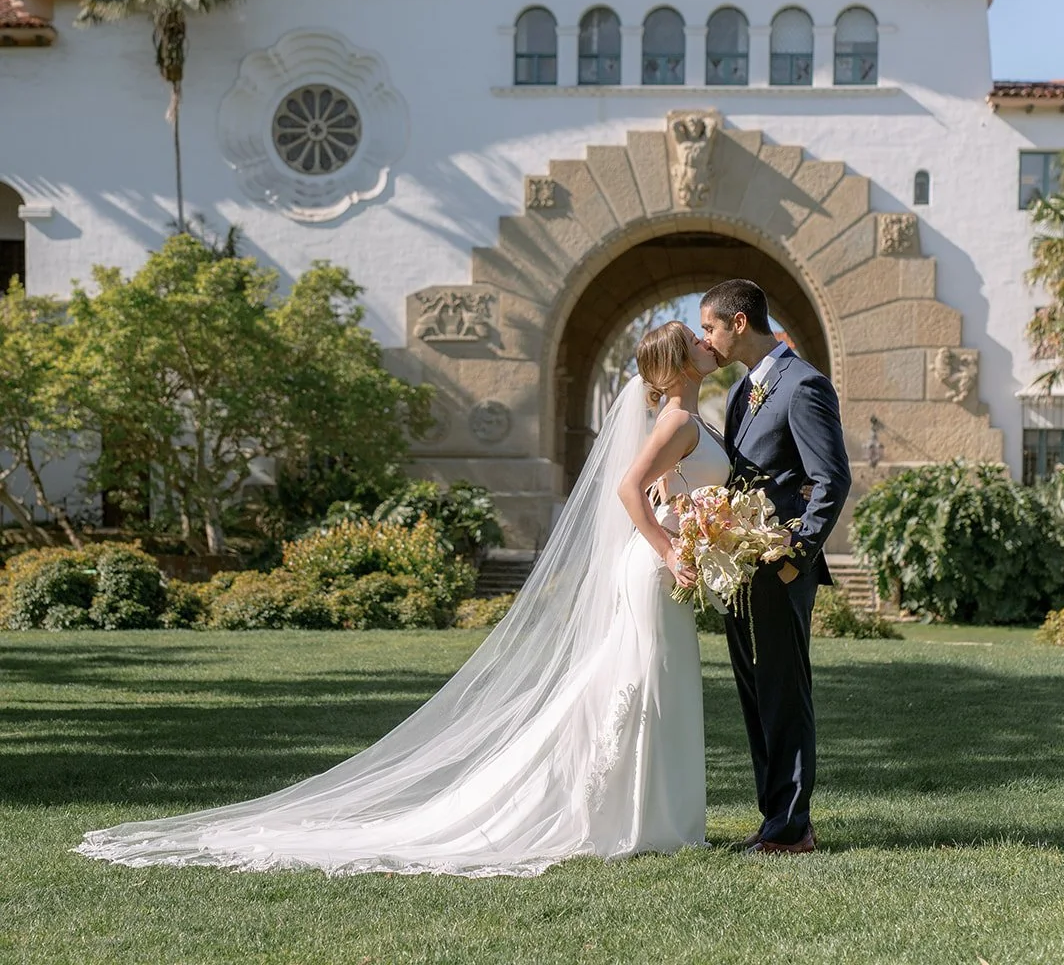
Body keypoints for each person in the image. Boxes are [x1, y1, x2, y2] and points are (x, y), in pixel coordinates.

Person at [77, 322, 727, 878]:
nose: (707, 342)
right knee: (643, 679)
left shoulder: (688, 419)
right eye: (695, 339)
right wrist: (670, 549)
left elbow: (659, 494)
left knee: (651, 679)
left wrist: (692, 527)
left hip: (662, 565)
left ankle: (653, 816)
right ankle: (637, 819)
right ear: (674, 364)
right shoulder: (674, 420)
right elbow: (626, 489)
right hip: (652, 569)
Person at [700, 278, 851, 856]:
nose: (705, 339)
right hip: (740, 569)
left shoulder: (804, 385)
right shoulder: (743, 391)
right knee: (757, 695)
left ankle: (793, 828)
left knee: (784, 693)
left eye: (710, 327)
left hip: (779, 567)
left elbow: (831, 478)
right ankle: (775, 820)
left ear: (739, 323)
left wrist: (796, 553)